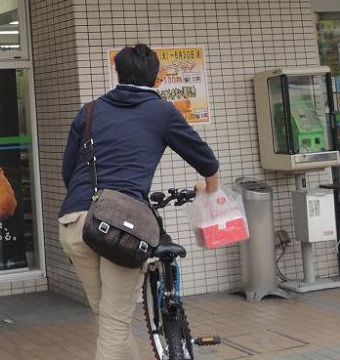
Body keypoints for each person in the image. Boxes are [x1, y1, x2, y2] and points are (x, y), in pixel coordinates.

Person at [59, 44, 220, 360]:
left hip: (75, 222)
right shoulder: (162, 112)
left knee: (108, 318)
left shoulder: (88, 111)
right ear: (157, 78)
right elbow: (208, 163)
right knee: (115, 322)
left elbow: (68, 171)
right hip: (122, 229)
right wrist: (209, 191)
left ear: (116, 72)